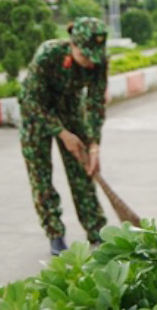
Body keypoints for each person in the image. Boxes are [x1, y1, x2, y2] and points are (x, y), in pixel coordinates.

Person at [18, 17, 110, 256]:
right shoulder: (48, 55)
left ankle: (96, 230)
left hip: (70, 109)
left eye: (95, 56)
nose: (90, 62)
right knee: (40, 175)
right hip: (37, 113)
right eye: (85, 55)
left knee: (82, 170)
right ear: (73, 44)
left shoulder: (99, 61)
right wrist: (62, 134)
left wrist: (93, 145)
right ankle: (55, 234)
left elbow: (95, 103)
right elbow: (30, 100)